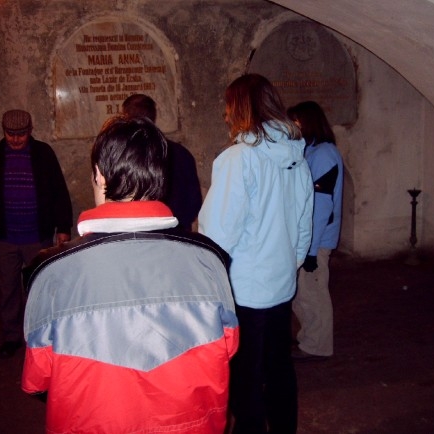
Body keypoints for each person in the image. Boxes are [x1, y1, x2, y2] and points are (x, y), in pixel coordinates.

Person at [21, 117, 239, 433]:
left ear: (98, 174)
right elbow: (229, 347)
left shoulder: (51, 272)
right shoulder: (209, 260)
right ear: (161, 177)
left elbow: (37, 379)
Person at [198, 74, 314, 434]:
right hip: (280, 283)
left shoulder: (238, 159)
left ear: (240, 108)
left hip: (245, 288)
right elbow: (304, 224)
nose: (225, 115)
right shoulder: (297, 156)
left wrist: (209, 279)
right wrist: (288, 265)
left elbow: (220, 232)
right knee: (279, 366)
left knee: (245, 373)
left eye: (227, 106)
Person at [0, 109, 72, 359]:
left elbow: (59, 191)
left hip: (38, 237)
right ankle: (11, 337)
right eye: (10, 134)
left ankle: (44, 335)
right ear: (3, 131)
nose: (16, 139)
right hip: (5, 237)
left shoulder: (43, 154)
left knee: (41, 289)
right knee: (8, 290)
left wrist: (63, 228)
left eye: (21, 134)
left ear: (30, 130)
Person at [287, 101, 344, 360]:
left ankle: (317, 346)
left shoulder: (324, 154)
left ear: (308, 122)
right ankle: (309, 338)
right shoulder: (310, 151)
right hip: (307, 238)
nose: (292, 127)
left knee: (312, 294)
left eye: (296, 121)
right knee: (301, 294)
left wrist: (310, 252)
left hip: (316, 240)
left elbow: (321, 206)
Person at [122, 94, 203, 230]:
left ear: (126, 117)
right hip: (178, 233)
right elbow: (194, 202)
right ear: (153, 116)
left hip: (140, 235)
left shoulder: (124, 157)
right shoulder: (181, 153)